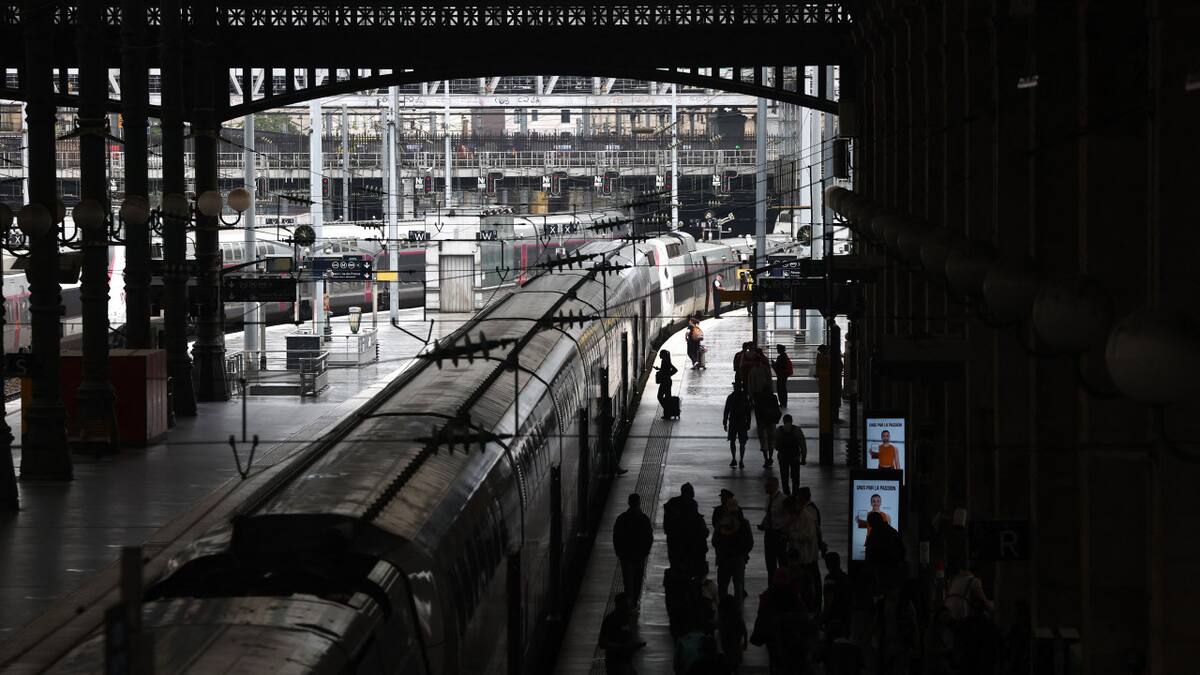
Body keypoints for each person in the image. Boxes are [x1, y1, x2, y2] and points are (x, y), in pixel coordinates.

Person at [711, 498, 753, 605]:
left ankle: (723, 608)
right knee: (738, 586)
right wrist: (742, 553)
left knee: (722, 586)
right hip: (738, 559)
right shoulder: (744, 524)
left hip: (723, 558)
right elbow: (749, 543)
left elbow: (714, 541)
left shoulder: (720, 524)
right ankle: (737, 611)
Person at [613, 493, 654, 602]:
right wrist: (645, 552)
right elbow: (649, 537)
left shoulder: (622, 518)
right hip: (639, 556)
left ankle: (628, 601)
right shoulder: (644, 519)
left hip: (625, 556)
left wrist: (619, 552)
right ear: (639, 503)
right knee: (637, 580)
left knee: (627, 580)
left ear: (629, 503)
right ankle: (634, 602)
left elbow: (616, 536)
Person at [664, 483, 709, 576]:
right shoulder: (692, 504)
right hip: (688, 545)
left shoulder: (672, 503)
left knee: (676, 568)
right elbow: (696, 525)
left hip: (674, 543)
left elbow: (667, 526)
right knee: (688, 571)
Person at [600, 593, 646, 674]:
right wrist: (620, 647)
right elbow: (602, 642)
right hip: (615, 662)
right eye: (626, 606)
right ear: (619, 605)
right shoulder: (610, 620)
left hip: (625, 662)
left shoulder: (627, 618)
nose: (628, 608)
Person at [758, 476, 788, 577]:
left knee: (782, 560)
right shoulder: (768, 499)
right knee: (770, 562)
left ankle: (783, 583)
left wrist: (785, 531)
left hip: (779, 533)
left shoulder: (783, 499)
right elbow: (769, 513)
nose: (765, 488)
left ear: (774, 486)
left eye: (767, 486)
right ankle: (772, 584)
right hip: (769, 532)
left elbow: (789, 517)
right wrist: (763, 524)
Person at [722, 383, 752, 468]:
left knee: (732, 441)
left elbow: (726, 411)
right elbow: (748, 412)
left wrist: (724, 422)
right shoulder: (744, 398)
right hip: (742, 422)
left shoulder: (731, 397)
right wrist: (748, 422)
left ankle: (734, 458)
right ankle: (741, 460)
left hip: (733, 421)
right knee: (742, 442)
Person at [774, 415, 806, 495]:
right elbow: (803, 445)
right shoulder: (797, 430)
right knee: (795, 478)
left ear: (783, 421)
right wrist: (803, 458)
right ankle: (795, 494)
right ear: (791, 421)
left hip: (783, 457)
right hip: (795, 457)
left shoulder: (778, 430)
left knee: (784, 478)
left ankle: (786, 495)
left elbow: (776, 446)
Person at [717, 593, 747, 672]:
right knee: (735, 660)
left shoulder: (723, 618)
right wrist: (746, 642)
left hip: (726, 641)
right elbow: (744, 629)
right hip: (736, 641)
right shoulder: (737, 615)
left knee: (728, 658)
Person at [753, 389, 782, 468]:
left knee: (763, 442)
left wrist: (758, 422)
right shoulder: (773, 397)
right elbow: (777, 409)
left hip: (762, 422)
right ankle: (770, 457)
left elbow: (757, 411)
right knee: (771, 440)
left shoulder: (759, 399)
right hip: (771, 421)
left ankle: (766, 459)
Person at [655, 350, 679, 418]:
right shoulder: (665, 361)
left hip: (665, 382)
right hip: (667, 381)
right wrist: (660, 369)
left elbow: (675, 370)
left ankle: (668, 411)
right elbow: (666, 370)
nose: (659, 355)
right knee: (667, 397)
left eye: (660, 354)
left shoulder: (665, 361)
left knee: (660, 396)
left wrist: (667, 375)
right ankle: (668, 412)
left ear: (663, 355)